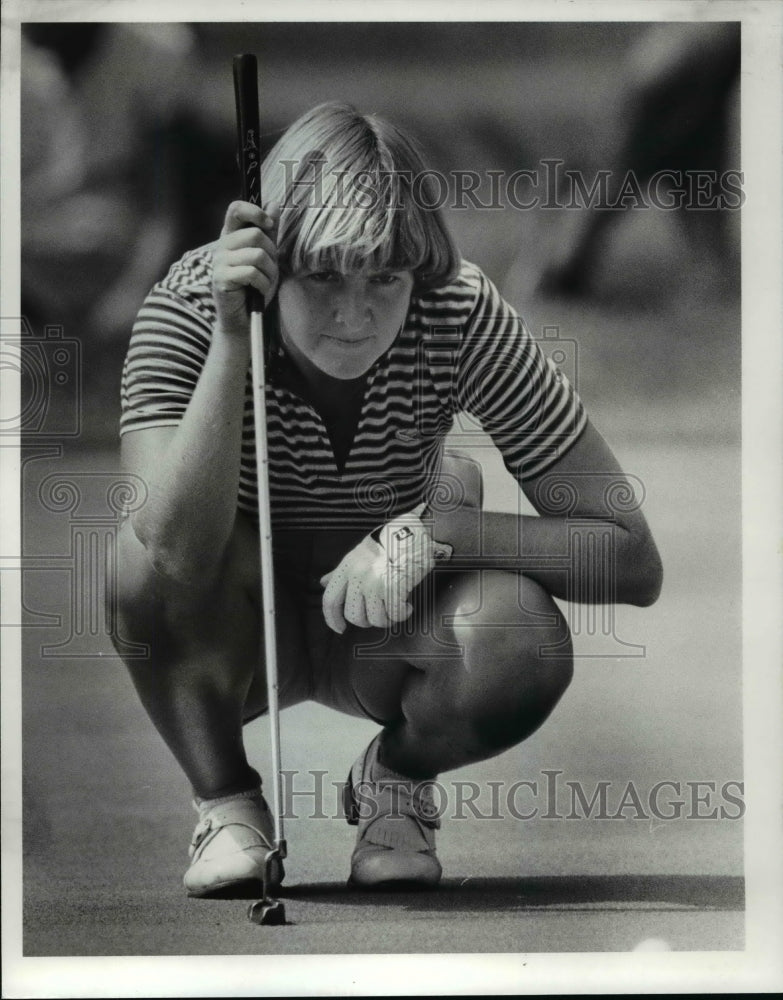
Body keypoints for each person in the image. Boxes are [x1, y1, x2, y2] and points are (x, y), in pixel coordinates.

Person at [115, 102, 662, 896]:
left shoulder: (458, 310)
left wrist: (431, 534)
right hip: (239, 625)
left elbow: (629, 558)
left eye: (384, 277)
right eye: (323, 276)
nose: (355, 312)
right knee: (131, 560)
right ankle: (228, 803)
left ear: (419, 269)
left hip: (385, 626)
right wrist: (234, 340)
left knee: (518, 636)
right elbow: (171, 553)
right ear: (273, 263)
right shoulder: (192, 305)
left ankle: (396, 782)